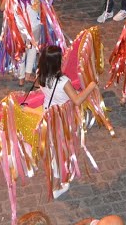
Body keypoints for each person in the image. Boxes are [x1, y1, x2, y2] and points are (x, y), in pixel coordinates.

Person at [35, 44, 100, 199]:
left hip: (47, 115)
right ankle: (56, 186)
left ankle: (55, 173)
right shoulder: (63, 81)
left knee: (53, 146)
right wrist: (91, 86)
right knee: (60, 150)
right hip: (60, 119)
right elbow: (77, 100)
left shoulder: (41, 75)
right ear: (57, 61)